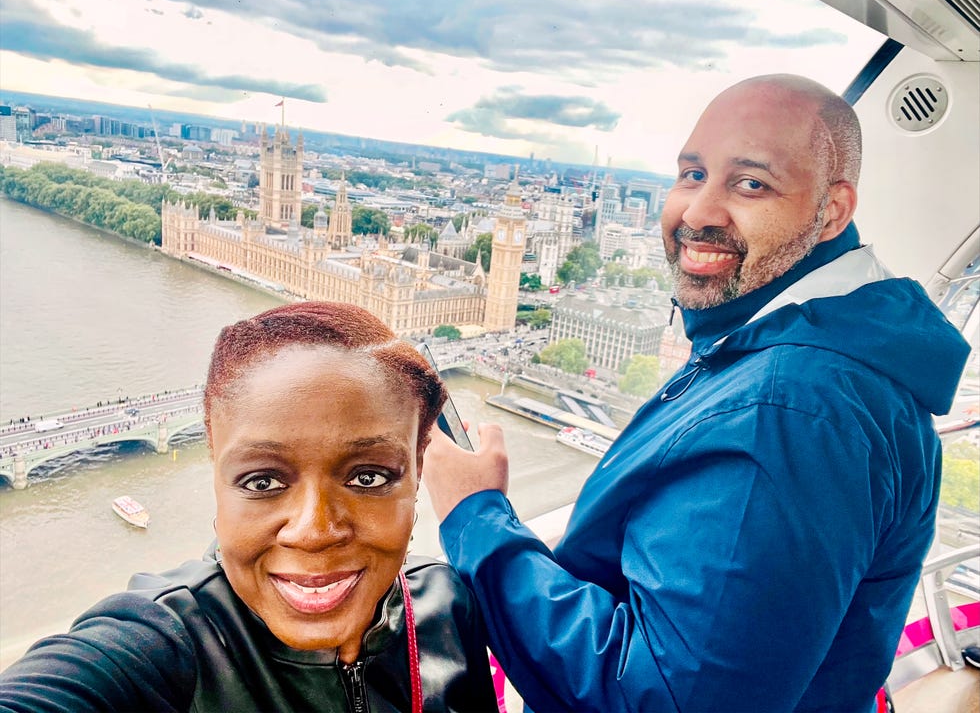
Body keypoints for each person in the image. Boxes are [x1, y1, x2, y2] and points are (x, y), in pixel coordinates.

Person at [424, 75, 971, 712]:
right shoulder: (833, 354)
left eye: (751, 183)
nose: (698, 213)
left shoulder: (791, 409)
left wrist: (474, 518)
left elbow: (668, 698)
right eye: (691, 174)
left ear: (831, 211)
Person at [0, 302, 498, 712]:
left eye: (368, 477)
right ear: (216, 471)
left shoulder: (450, 605)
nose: (314, 532)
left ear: (417, 470)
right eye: (262, 481)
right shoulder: (163, 645)